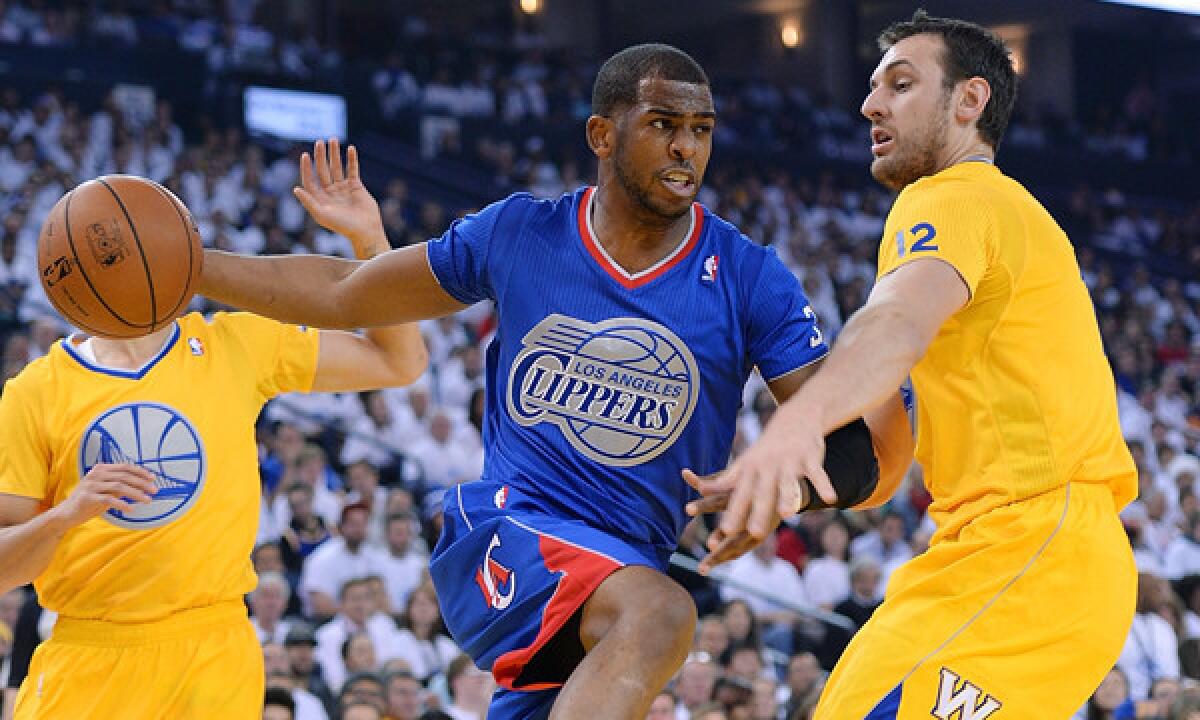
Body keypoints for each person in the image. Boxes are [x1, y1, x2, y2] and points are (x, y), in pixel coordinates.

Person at [196, 45, 909, 719]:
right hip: (510, 531)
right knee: (665, 615)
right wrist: (195, 268)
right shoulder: (520, 234)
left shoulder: (749, 277)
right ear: (602, 133)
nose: (686, 148)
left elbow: (847, 452)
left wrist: (779, 488)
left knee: (646, 616)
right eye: (663, 125)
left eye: (701, 129)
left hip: (616, 584)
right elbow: (348, 292)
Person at [692, 10, 1137, 718]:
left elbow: (895, 320)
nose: (871, 104)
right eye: (872, 88)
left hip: (1036, 549)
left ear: (969, 102)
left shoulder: (957, 197)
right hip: (997, 555)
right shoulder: (985, 237)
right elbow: (883, 461)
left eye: (900, 84)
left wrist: (797, 423)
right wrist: (791, 489)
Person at [0, 147, 428, 718]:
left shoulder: (234, 344)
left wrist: (370, 241)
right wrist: (65, 514)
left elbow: (400, 362)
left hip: (215, 647)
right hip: (92, 650)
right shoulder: (34, 391)